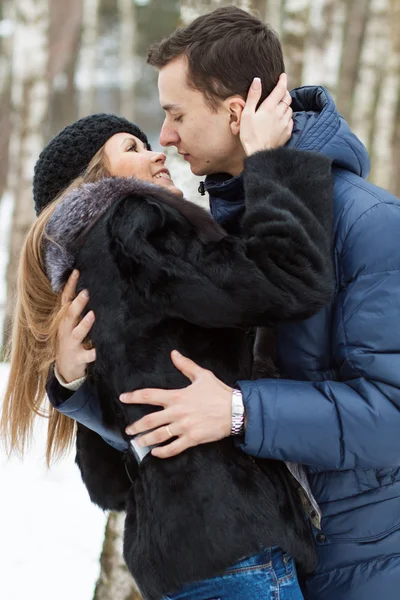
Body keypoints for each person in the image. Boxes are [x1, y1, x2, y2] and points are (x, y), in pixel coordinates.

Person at [40, 6, 400, 600]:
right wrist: (74, 383)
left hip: (359, 571)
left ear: (236, 113)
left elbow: (391, 416)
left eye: (176, 114)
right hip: (265, 562)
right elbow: (162, 428)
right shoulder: (208, 235)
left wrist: (241, 412)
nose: (167, 138)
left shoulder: (371, 224)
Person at [1, 99, 334, 599]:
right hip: (236, 547)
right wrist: (269, 160)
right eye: (133, 148)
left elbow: (108, 482)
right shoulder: (136, 221)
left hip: (183, 563)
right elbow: (287, 279)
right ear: (95, 180)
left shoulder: (99, 273)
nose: (159, 154)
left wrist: (71, 386)